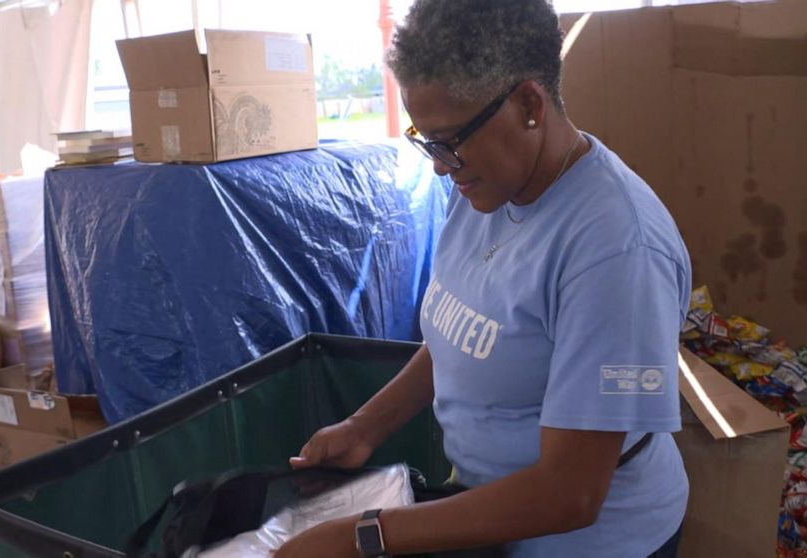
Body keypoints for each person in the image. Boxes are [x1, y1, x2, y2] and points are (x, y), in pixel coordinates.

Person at [274, 1, 691, 557]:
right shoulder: (486, 187)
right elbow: (463, 333)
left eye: (450, 140)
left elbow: (570, 493)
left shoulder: (615, 251)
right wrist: (365, 426)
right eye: (426, 139)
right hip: (489, 514)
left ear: (528, 104)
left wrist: (366, 536)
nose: (440, 166)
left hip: (591, 540)